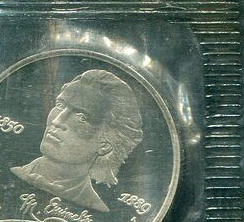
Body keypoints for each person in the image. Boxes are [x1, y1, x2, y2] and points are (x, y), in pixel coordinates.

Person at [12, 69, 145, 213]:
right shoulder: (12, 175)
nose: (56, 121)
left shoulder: (98, 210)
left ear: (104, 145)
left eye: (81, 117)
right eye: (60, 105)